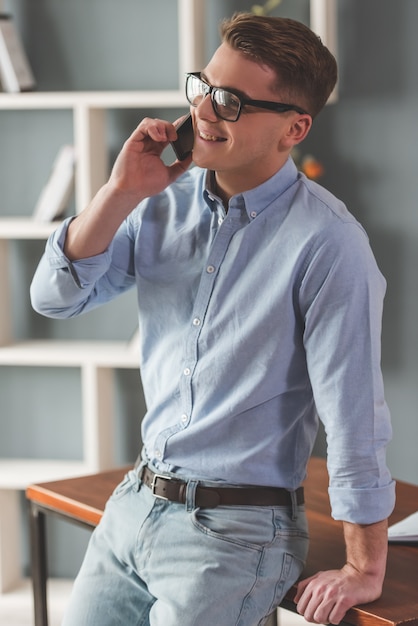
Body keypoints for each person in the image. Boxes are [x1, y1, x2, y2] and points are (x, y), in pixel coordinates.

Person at [30, 12, 395, 626]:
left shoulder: (330, 245)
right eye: (202, 86)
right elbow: (54, 297)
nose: (202, 110)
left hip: (233, 535)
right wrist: (120, 192)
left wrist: (364, 568)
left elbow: (354, 416)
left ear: (293, 128)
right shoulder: (158, 206)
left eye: (229, 102)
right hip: (135, 503)